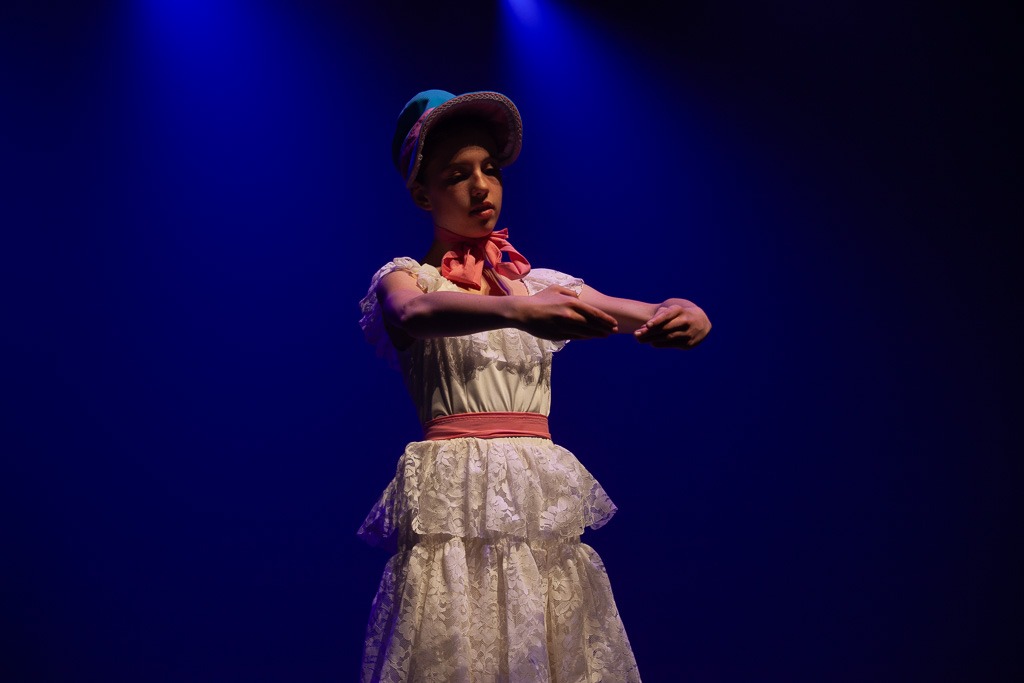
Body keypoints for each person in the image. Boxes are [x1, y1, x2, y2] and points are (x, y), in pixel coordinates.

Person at [357, 89, 711, 683]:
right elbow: (413, 315)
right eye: (457, 173)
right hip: (457, 498)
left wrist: (687, 311)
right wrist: (518, 313)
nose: (480, 186)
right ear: (423, 193)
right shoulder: (406, 276)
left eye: (490, 170)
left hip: (533, 498)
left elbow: (637, 309)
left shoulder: (538, 283)